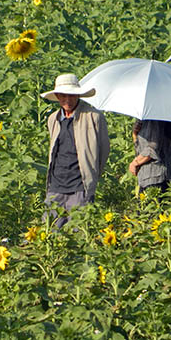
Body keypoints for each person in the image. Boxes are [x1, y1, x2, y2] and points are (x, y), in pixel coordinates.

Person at [40, 73, 110, 228]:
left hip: (80, 184)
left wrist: (92, 174)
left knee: (78, 232)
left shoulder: (93, 117)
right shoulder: (53, 119)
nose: (67, 100)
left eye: (71, 96)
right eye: (63, 96)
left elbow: (104, 150)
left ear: (77, 95)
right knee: (50, 231)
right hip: (56, 184)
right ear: (57, 96)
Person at [129, 120, 171, 193]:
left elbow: (152, 149)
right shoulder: (150, 120)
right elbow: (141, 149)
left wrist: (134, 163)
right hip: (151, 178)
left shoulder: (154, 121)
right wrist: (135, 135)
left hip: (155, 178)